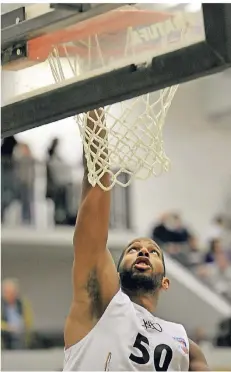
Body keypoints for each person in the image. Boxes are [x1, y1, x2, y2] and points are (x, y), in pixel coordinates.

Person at [63, 109, 209, 371]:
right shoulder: (101, 306)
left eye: (153, 252)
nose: (143, 252)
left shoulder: (186, 347)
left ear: (165, 281)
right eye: (133, 249)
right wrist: (95, 110)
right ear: (116, 273)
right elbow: (94, 208)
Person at [1, 278, 33, 349]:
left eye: (13, 293)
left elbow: (28, 320)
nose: (11, 295)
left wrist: (24, 326)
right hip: (5, 336)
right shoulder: (2, 305)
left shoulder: (22, 303)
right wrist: (8, 327)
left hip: (21, 334)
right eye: (8, 292)